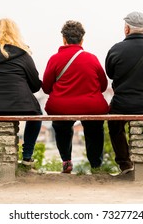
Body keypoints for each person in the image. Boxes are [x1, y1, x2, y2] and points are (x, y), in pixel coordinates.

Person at [42, 20, 109, 173]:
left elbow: (46, 88)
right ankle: (96, 166)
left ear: (64, 39)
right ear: (82, 40)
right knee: (94, 130)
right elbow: (104, 86)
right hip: (91, 106)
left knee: (61, 127)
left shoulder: (54, 59)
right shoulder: (92, 58)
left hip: (62, 107)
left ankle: (66, 160)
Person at [0, 18, 42, 167]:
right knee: (37, 117)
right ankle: (27, 156)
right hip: (20, 104)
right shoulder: (24, 55)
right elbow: (36, 85)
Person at [105, 11, 143, 175]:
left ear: (127, 29)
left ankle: (125, 164)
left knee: (114, 126)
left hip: (123, 104)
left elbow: (110, 74)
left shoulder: (116, 49)